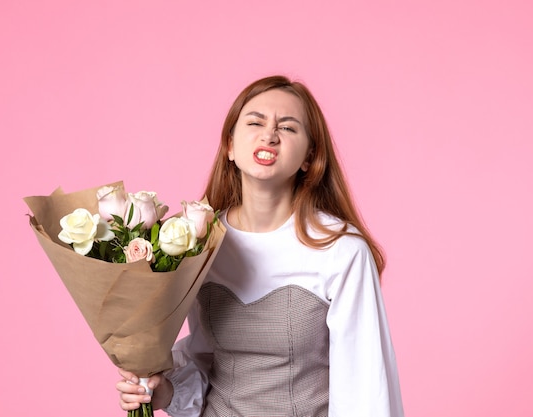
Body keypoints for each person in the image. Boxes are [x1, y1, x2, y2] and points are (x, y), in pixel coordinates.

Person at [116, 75, 404, 416]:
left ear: (310, 157)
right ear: (230, 146)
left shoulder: (341, 250)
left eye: (288, 127)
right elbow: (203, 358)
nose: (269, 135)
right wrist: (163, 392)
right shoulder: (198, 244)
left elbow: (364, 387)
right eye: (255, 122)